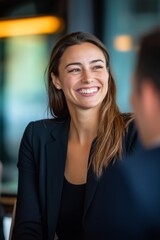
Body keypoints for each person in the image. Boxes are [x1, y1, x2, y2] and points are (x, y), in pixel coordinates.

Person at [11, 31, 138, 240]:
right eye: (74, 70)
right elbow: (28, 225)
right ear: (56, 80)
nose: (88, 78)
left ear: (107, 74)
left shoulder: (135, 132)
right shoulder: (37, 136)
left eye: (97, 66)